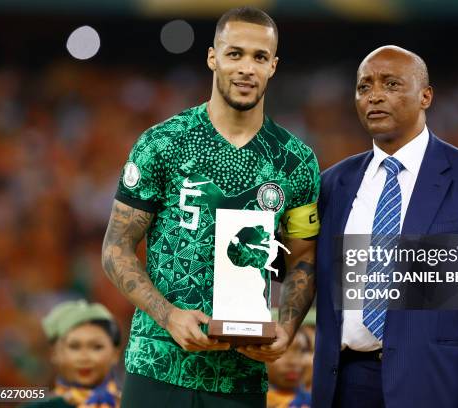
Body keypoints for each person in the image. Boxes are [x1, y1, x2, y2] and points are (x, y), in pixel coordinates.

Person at [101, 6, 319, 408]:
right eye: (234, 54)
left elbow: (304, 259)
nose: (246, 68)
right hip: (156, 364)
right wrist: (169, 316)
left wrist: (287, 329)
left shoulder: (296, 161)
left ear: (273, 66)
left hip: (243, 378)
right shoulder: (162, 143)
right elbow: (115, 247)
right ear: (212, 57)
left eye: (259, 57)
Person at [312, 45, 458, 407]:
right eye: (364, 87)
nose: (374, 95)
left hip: (435, 386)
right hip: (345, 384)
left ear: (426, 96)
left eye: (391, 84)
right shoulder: (333, 184)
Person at [28, 300, 122, 408]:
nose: (84, 358)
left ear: (115, 354)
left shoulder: (132, 403)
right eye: (74, 347)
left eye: (97, 347)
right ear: (55, 353)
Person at [266, 329, 312, 408]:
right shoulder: (253, 401)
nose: (293, 362)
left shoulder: (315, 401)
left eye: (302, 350)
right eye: (281, 351)